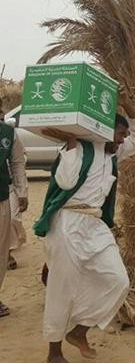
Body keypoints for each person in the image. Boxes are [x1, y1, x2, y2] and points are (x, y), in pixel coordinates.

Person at [35, 94, 135, 363]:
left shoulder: (113, 154)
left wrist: (126, 104)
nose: (123, 140)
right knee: (61, 288)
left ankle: (79, 330)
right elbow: (64, 183)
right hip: (67, 223)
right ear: (105, 131)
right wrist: (72, 144)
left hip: (95, 224)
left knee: (117, 280)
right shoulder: (81, 149)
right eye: (121, 134)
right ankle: (54, 352)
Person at [0, 109, 28, 318]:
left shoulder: (8, 133)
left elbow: (17, 163)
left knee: (1, 252)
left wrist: (22, 191)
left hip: (2, 199)